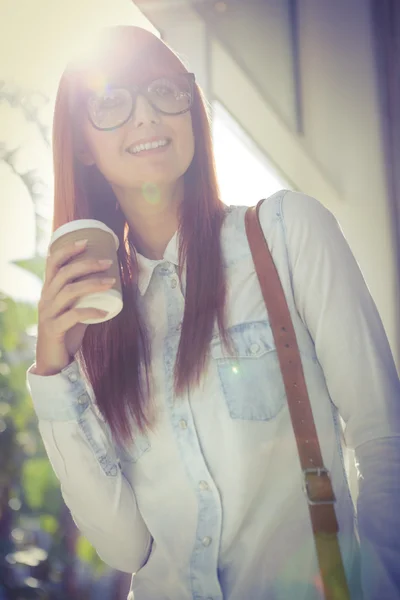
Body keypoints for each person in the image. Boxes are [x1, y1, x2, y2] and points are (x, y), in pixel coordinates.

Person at [26, 25, 400, 600]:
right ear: (81, 144)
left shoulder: (286, 234)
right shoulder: (98, 322)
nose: (146, 116)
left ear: (191, 110)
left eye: (165, 93)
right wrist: (55, 374)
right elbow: (126, 548)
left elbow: (384, 437)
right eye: (111, 103)